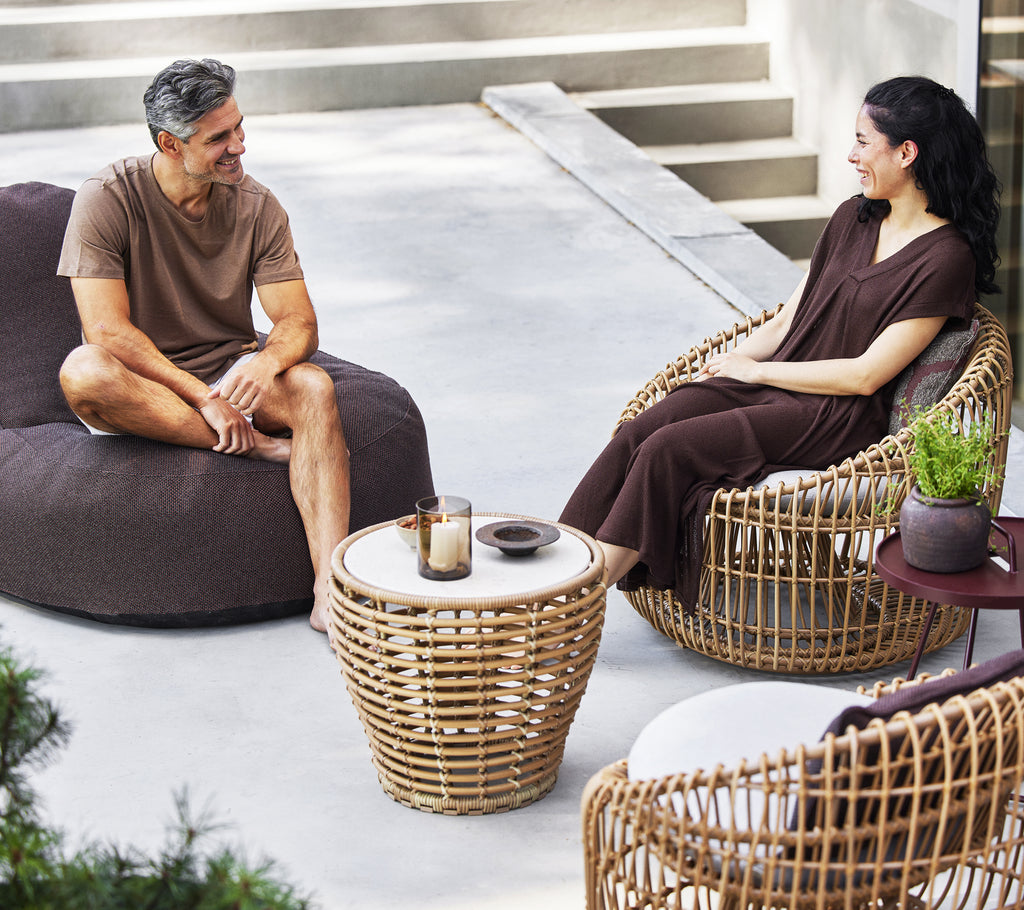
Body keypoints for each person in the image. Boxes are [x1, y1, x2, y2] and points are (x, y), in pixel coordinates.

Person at [559, 75, 1001, 609]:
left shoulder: (946, 258)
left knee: (668, 449)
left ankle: (570, 606)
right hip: (781, 381)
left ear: (907, 152)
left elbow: (866, 376)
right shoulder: (852, 218)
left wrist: (759, 374)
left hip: (835, 415)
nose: (851, 156)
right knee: (642, 428)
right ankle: (557, 563)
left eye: (863, 142)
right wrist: (738, 361)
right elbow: (789, 321)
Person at [57, 58, 349, 634]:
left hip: (230, 368)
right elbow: (106, 331)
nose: (239, 145)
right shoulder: (107, 198)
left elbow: (299, 321)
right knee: (84, 371)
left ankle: (329, 592)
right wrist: (202, 398)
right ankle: (261, 448)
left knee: (314, 386)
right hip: (147, 381)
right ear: (170, 143)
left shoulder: (258, 206)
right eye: (219, 137)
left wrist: (266, 360)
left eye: (239, 126)